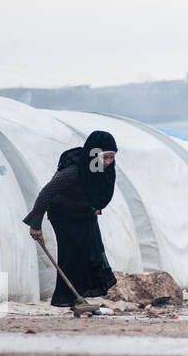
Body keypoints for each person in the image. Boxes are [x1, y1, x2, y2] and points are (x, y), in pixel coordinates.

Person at [24, 131, 118, 310]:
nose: (107, 162)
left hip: (83, 214)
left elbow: (101, 191)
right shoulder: (74, 170)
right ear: (93, 154)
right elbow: (46, 194)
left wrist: (95, 206)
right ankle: (65, 298)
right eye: (104, 157)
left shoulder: (99, 170)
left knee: (91, 251)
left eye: (111, 157)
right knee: (71, 254)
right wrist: (35, 226)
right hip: (63, 214)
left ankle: (78, 297)